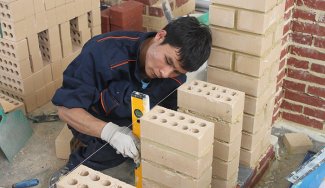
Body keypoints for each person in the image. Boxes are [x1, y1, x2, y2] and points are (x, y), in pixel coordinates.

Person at [49, 16, 212, 185]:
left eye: (176, 71)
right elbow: (65, 109)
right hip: (96, 117)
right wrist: (110, 133)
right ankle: (72, 168)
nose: (165, 73)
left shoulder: (175, 79)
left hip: (134, 118)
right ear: (160, 36)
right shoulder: (102, 52)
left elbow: (170, 115)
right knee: (110, 151)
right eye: (167, 61)